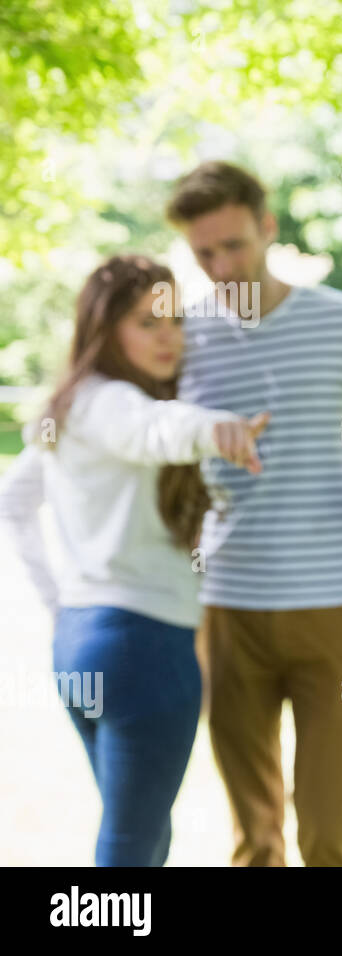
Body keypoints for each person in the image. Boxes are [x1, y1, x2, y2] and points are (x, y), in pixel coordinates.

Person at [0, 254, 267, 866]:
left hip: (80, 646)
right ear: (105, 328)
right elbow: (156, 428)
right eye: (147, 322)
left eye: (173, 319)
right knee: (130, 844)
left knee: (141, 833)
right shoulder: (113, 403)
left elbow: (11, 503)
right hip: (144, 653)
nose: (169, 335)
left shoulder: (71, 407)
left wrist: (60, 602)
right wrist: (216, 428)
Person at [165, 160, 342, 866]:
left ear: (266, 228)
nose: (219, 265)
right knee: (253, 835)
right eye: (203, 253)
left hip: (333, 606)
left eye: (232, 245)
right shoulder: (182, 334)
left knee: (328, 826)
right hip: (226, 607)